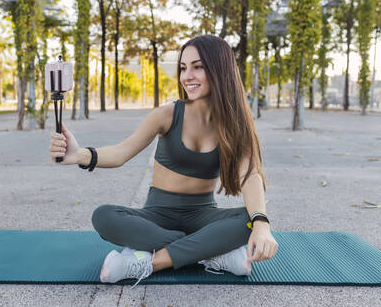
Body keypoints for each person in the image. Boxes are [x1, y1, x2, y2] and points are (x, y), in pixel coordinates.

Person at [49, 35, 278, 287]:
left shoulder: (235, 125)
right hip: (157, 216)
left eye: (198, 67)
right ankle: (209, 251)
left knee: (250, 218)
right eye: (183, 67)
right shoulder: (167, 114)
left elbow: (250, 175)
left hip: (203, 215)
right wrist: (80, 154)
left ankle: (147, 261)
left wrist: (261, 223)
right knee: (103, 216)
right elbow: (121, 152)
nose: (187, 75)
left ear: (220, 69)